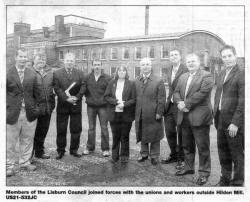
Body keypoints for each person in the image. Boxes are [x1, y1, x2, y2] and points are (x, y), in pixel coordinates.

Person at [173, 53, 213, 185]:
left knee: (202, 146)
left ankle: (204, 173)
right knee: (187, 145)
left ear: (199, 62)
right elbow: (176, 91)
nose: (190, 63)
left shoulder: (206, 75)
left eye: (193, 61)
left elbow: (202, 93)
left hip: (199, 117)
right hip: (184, 116)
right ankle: (189, 168)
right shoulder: (183, 76)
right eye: (188, 61)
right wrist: (179, 102)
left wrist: (186, 104)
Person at [6, 48, 40, 177]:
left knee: (27, 139)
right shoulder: (7, 73)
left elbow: (38, 94)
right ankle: (8, 165)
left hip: (29, 113)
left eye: (25, 57)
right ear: (15, 57)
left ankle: (25, 162)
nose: (23, 59)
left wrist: (36, 110)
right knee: (10, 142)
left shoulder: (32, 74)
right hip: (12, 113)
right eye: (20, 56)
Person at [214, 45, 244, 186]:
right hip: (221, 119)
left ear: (235, 56)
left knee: (237, 154)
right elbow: (218, 96)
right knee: (223, 151)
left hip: (233, 122)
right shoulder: (221, 74)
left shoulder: (242, 73)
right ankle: (225, 179)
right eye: (224, 57)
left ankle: (238, 183)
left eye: (229, 56)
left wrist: (235, 123)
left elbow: (243, 101)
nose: (227, 59)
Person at [53, 52, 86, 160]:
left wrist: (77, 97)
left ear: (74, 62)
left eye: (71, 61)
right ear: (64, 61)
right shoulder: (57, 73)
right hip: (63, 105)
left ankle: (74, 150)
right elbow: (57, 88)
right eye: (67, 60)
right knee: (61, 129)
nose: (69, 63)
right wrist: (66, 98)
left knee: (76, 129)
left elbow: (83, 87)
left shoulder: (80, 73)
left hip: (76, 105)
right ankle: (60, 151)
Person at [135, 57, 166, 165]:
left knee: (154, 135)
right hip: (140, 113)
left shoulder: (158, 80)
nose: (145, 66)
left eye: (147, 64)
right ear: (140, 66)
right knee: (142, 133)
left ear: (151, 66)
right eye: (143, 64)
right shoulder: (136, 80)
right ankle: (144, 154)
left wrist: (159, 112)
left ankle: (154, 155)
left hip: (153, 113)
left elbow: (161, 99)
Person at [161, 49, 188, 170]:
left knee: (181, 133)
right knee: (169, 132)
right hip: (170, 106)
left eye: (176, 54)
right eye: (171, 55)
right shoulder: (169, 69)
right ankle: (174, 154)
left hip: (180, 105)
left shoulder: (186, 69)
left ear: (180, 56)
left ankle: (182, 159)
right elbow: (171, 88)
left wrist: (184, 103)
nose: (173, 57)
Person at [104, 65, 136, 163]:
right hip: (114, 114)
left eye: (123, 71)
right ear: (117, 72)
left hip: (126, 114)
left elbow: (134, 99)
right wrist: (116, 102)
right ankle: (114, 156)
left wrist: (124, 104)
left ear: (126, 72)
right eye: (120, 70)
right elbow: (106, 96)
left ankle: (124, 156)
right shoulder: (112, 83)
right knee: (115, 135)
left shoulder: (131, 84)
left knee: (125, 136)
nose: (121, 72)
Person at [83, 60, 111, 157]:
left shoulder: (107, 78)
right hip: (91, 106)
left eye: (98, 65)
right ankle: (90, 147)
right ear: (92, 66)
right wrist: (88, 98)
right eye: (95, 65)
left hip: (103, 107)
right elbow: (84, 90)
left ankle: (105, 149)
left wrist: (105, 100)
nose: (97, 67)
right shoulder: (87, 77)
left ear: (101, 66)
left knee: (104, 127)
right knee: (91, 128)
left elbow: (110, 92)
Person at [32, 52, 55, 159]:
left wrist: (53, 103)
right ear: (34, 60)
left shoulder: (50, 72)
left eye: (43, 59)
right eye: (39, 59)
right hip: (34, 109)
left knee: (43, 131)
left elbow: (56, 87)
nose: (41, 61)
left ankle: (39, 152)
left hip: (47, 108)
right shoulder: (29, 72)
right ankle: (29, 156)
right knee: (31, 133)